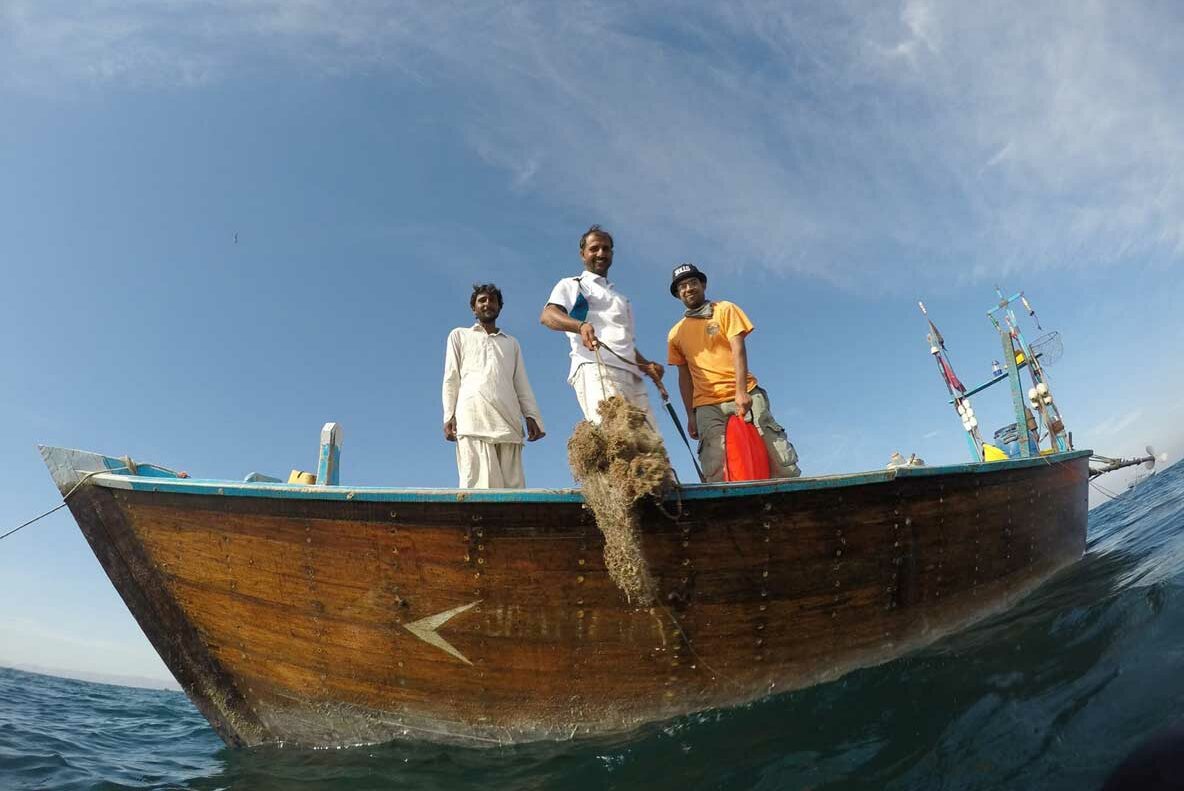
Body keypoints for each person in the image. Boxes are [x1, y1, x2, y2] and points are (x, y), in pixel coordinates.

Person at [666, 263, 800, 482]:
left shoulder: (725, 309)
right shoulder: (675, 334)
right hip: (706, 405)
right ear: (678, 294)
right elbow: (684, 376)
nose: (688, 288)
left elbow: (738, 348)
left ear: (703, 284)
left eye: (693, 282)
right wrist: (690, 415)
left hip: (744, 392)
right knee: (714, 466)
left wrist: (741, 393)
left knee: (778, 456)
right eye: (682, 286)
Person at [540, 225, 665, 429]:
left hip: (632, 377)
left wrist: (646, 366)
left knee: (649, 447)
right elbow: (548, 315)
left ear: (612, 254)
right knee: (616, 438)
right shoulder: (573, 284)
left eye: (606, 249)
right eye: (594, 248)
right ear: (583, 254)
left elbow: (624, 343)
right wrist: (580, 325)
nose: (601, 254)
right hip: (596, 368)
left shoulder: (622, 299)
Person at [442, 283, 545, 488]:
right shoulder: (459, 335)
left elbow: (521, 383)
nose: (487, 304)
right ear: (474, 308)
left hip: (508, 424)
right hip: (472, 420)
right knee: (477, 489)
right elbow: (451, 378)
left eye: (492, 300)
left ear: (499, 307)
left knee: (512, 493)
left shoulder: (511, 343)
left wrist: (532, 416)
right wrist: (448, 415)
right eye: (482, 300)